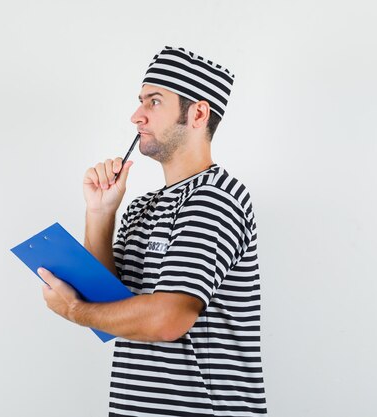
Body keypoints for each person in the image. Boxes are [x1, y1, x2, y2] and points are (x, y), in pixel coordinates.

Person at [37, 46, 267, 416]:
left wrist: (76, 310)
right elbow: (112, 307)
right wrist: (100, 213)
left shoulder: (215, 198)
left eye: (154, 102)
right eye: (140, 101)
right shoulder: (143, 207)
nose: (136, 116)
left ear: (198, 113)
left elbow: (167, 319)